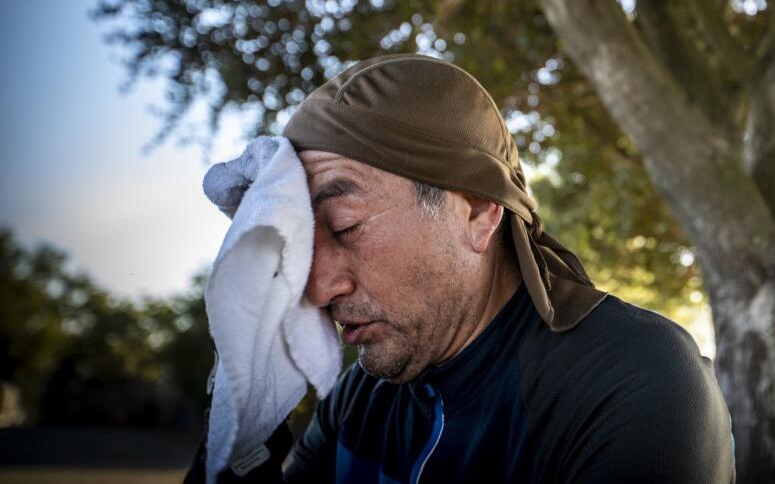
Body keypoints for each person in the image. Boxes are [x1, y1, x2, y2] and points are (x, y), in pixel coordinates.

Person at [186, 54, 735, 483]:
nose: (319, 286)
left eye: (347, 226)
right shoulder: (360, 398)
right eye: (303, 243)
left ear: (476, 209)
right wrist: (239, 428)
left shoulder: (629, 380)